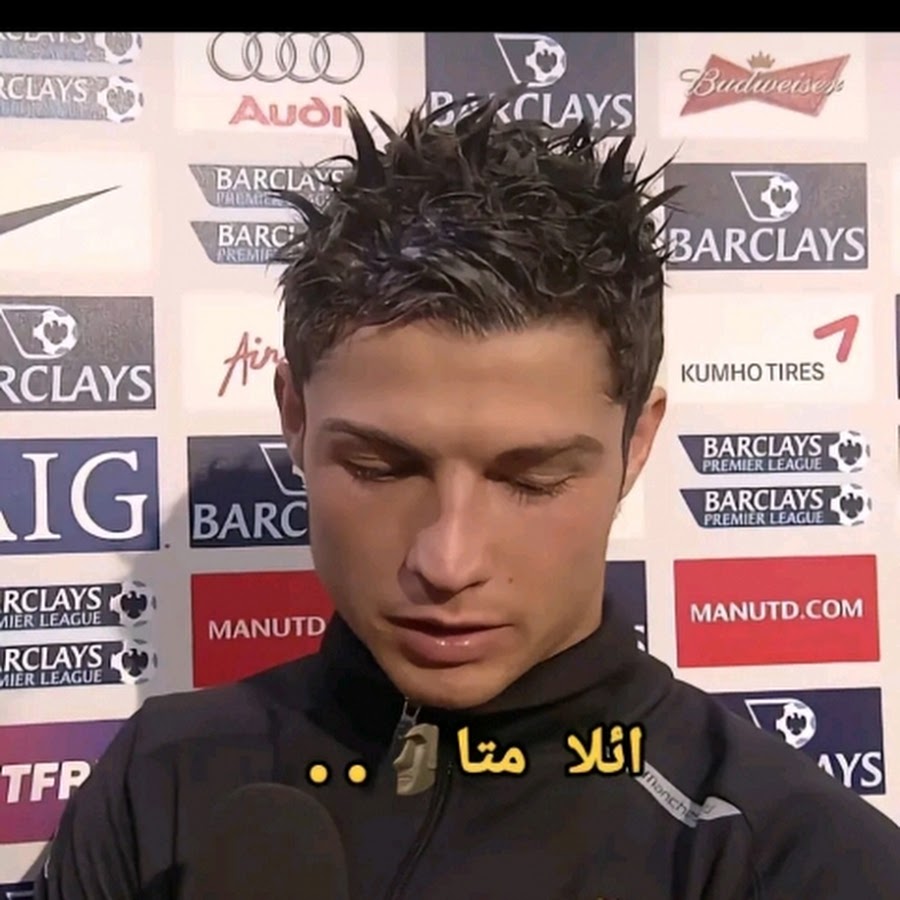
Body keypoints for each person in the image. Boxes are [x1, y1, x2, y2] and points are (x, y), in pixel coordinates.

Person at [35, 95, 900, 900]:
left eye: (531, 480)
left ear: (636, 445)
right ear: (295, 418)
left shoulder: (798, 860)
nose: (447, 562)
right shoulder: (157, 786)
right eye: (379, 467)